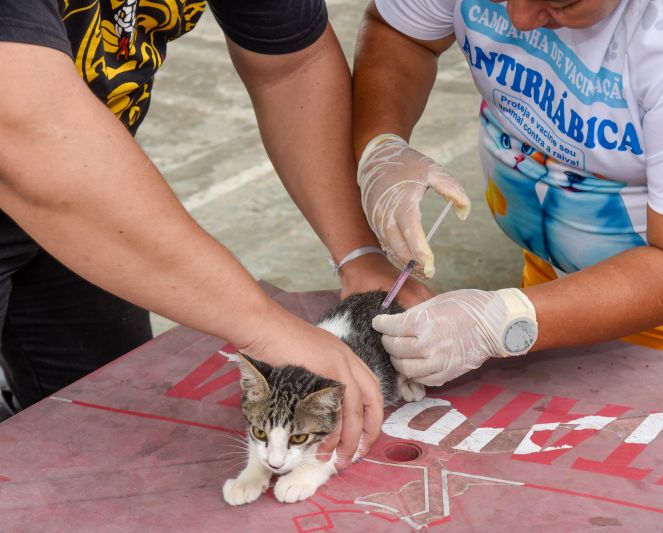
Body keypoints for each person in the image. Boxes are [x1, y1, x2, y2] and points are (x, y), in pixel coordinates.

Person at [0, 0, 430, 465]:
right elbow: (24, 126)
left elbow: (291, 65)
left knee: (95, 440)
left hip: (85, 190)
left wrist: (359, 253)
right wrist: (264, 326)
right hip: (45, 161)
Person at [353, 0, 663, 385]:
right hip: (556, 259)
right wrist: (382, 144)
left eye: (562, 3)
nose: (521, 19)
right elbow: (402, 31)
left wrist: (500, 320)